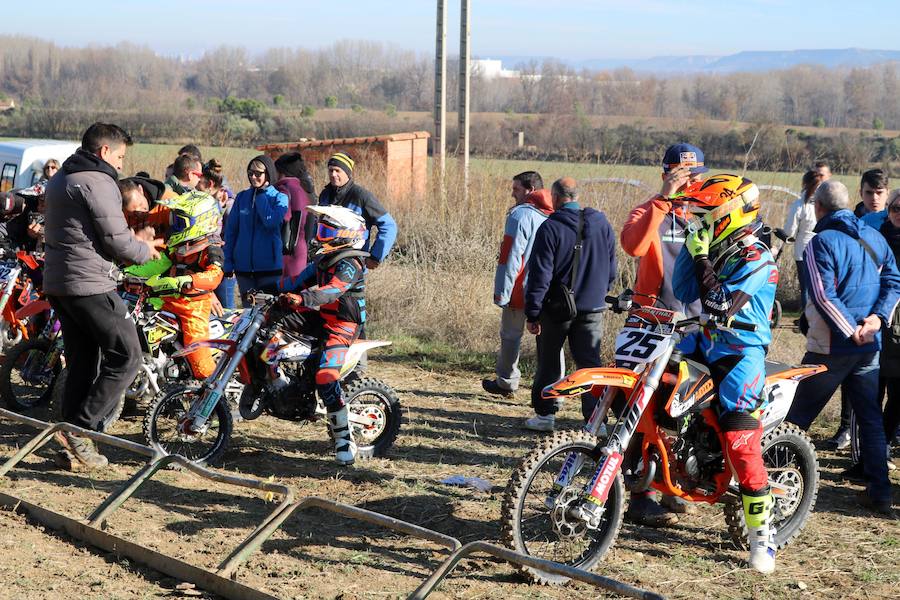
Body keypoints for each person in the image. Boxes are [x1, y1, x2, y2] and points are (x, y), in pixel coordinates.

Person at [673, 174, 779, 573]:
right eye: (695, 214)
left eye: (704, 214)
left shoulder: (757, 257)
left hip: (740, 352)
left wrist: (701, 255)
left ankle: (762, 537)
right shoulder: (718, 247)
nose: (697, 220)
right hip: (705, 340)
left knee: (739, 440)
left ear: (729, 214)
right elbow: (683, 290)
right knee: (658, 385)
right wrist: (691, 246)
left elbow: (719, 304)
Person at [43, 123, 162, 471]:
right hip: (90, 284)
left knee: (84, 361)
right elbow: (114, 240)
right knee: (129, 355)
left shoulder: (62, 177)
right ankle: (80, 430)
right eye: (121, 156)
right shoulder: (98, 181)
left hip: (61, 284)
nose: (123, 165)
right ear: (104, 152)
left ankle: (68, 444)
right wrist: (144, 248)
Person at [786, 180, 900, 517]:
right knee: (871, 421)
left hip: (832, 347)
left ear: (819, 208)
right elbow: (894, 282)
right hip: (869, 346)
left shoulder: (820, 242)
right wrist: (877, 320)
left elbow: (823, 297)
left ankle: (773, 480)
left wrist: (853, 330)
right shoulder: (874, 236)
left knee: (796, 417)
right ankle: (879, 493)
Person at [619, 142, 708, 525]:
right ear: (666, 173)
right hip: (652, 325)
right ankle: (640, 494)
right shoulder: (650, 209)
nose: (690, 181)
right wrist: (664, 199)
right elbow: (633, 245)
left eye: (695, 174)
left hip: (697, 326)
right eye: (681, 174)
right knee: (643, 411)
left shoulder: (707, 218)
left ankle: (675, 483)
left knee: (688, 413)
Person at [276, 205, 369, 465]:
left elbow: (330, 292)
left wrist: (300, 298)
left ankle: (344, 441)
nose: (320, 236)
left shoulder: (350, 265)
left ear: (345, 236)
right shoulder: (322, 260)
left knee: (326, 378)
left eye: (327, 231)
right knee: (269, 324)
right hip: (321, 320)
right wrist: (271, 292)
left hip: (343, 325)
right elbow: (295, 281)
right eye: (320, 229)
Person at [523, 177, 617, 430]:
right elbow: (611, 268)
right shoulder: (602, 224)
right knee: (590, 364)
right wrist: (600, 292)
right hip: (593, 308)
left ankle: (545, 415)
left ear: (554, 198)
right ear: (575, 196)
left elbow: (539, 275)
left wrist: (532, 313)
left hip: (556, 309)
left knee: (550, 360)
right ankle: (596, 420)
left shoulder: (550, 228)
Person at [124, 191, 224, 380]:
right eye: (174, 221)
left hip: (192, 309)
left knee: (201, 366)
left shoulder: (210, 249)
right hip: (167, 301)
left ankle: (211, 395)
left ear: (200, 220)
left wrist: (188, 280)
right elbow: (158, 264)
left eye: (179, 222)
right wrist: (127, 273)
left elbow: (215, 274)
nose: (174, 225)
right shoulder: (179, 247)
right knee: (142, 328)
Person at [482, 171, 559, 398]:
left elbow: (510, 256)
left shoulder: (519, 216)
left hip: (520, 288)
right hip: (548, 290)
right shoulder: (557, 214)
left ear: (530, 190)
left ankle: (506, 382)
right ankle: (556, 389)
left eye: (516, 189)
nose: (512, 194)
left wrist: (502, 293)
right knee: (551, 340)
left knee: (510, 335)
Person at [224, 155, 289, 302]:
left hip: (269, 269)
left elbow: (270, 221)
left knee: (266, 314)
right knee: (248, 313)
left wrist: (260, 196)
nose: (253, 177)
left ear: (268, 174)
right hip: (243, 269)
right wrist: (228, 262)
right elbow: (231, 232)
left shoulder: (280, 198)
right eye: (250, 173)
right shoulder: (241, 198)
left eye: (258, 173)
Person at [317, 152, 396, 270]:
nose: (333, 174)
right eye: (331, 170)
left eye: (338, 170)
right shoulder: (325, 194)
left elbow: (389, 226)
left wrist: (375, 256)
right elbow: (319, 225)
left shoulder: (361, 196)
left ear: (347, 173)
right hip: (324, 263)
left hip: (352, 267)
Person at [199, 159, 237, 310]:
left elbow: (230, 234)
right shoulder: (212, 203)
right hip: (209, 260)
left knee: (227, 307)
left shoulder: (228, 205)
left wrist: (230, 264)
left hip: (222, 262)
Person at [783, 170, 821, 311]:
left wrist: (787, 236)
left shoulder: (800, 205)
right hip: (820, 249)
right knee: (818, 286)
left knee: (805, 287)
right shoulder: (822, 205)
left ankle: (806, 317)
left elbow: (790, 230)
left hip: (803, 250)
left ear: (804, 184)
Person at [274, 152, 313, 281]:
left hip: (286, 252)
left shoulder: (283, 189)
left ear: (282, 172)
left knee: (281, 294)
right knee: (296, 295)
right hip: (302, 248)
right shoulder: (306, 190)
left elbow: (282, 217)